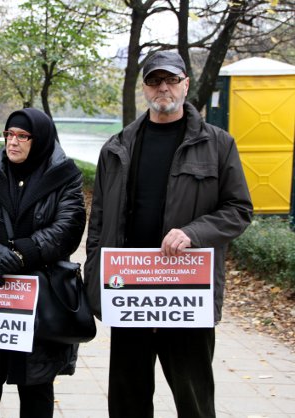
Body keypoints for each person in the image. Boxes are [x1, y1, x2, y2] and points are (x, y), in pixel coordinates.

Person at [83, 50, 253, 418]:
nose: (163, 87)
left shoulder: (218, 143)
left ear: (185, 84)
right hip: (131, 292)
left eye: (171, 79)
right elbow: (98, 221)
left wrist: (194, 232)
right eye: (154, 80)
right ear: (143, 88)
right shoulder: (117, 146)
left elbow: (239, 210)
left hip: (185, 293)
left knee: (193, 400)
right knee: (128, 400)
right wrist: (95, 282)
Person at [0, 108, 86, 418]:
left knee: (35, 383)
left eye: (23, 136)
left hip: (38, 295)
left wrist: (23, 253)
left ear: (41, 139)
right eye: (9, 134)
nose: (13, 142)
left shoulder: (65, 176)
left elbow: (68, 227)